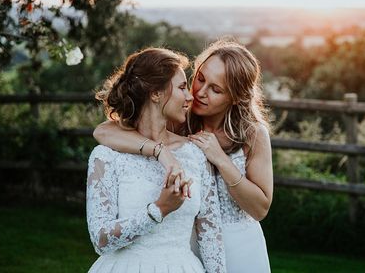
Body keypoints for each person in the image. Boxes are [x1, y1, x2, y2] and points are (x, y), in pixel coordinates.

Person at [94, 40, 273, 273]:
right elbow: (104, 131)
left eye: (215, 89)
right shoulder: (178, 120)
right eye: (200, 78)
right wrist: (161, 152)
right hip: (187, 244)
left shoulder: (252, 133)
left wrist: (220, 159)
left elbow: (260, 209)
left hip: (239, 243)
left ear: (236, 97)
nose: (200, 92)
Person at [86, 48, 226, 273]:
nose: (190, 96)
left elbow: (211, 236)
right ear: (155, 93)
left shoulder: (194, 155)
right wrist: (159, 209)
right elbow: (101, 240)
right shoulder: (106, 157)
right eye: (181, 87)